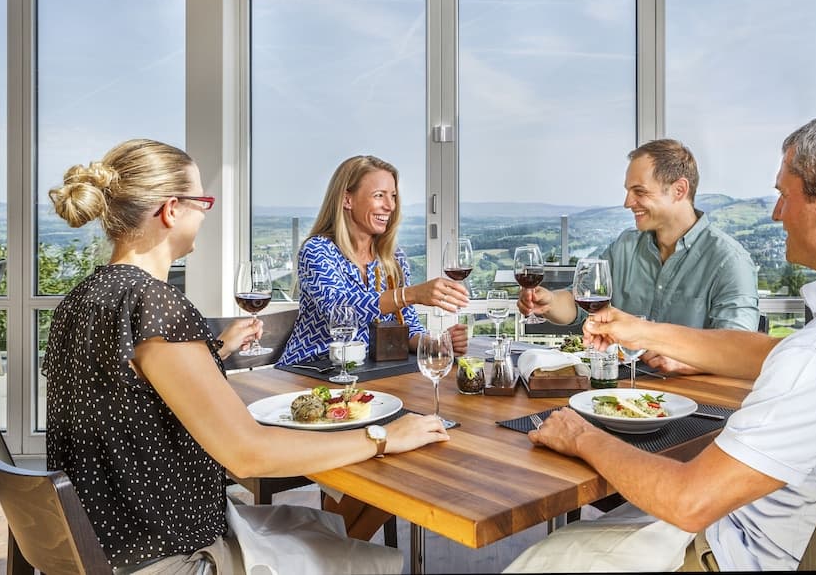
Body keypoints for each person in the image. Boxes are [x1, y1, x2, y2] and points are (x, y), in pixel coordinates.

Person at [507, 109, 816, 572]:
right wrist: (642, 330)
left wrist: (581, 436)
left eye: (784, 195)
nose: (776, 213)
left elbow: (688, 501)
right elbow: (774, 354)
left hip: (743, 551)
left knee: (543, 558)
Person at [44, 139, 449, 574]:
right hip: (171, 554)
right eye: (203, 202)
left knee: (330, 527)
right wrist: (382, 438)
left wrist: (217, 349)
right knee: (376, 561)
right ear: (171, 210)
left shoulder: (83, 298)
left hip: (108, 540)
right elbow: (247, 454)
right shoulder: (152, 303)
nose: (205, 214)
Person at [518, 139, 759, 374]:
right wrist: (549, 301)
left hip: (693, 397)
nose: (627, 203)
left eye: (639, 191)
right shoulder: (626, 246)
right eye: (628, 191)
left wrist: (687, 361)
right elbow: (579, 303)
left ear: (679, 190)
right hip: (621, 389)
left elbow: (739, 350)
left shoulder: (729, 262)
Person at [280, 154, 469, 366]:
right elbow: (339, 309)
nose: (390, 206)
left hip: (366, 373)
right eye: (379, 195)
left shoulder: (393, 258)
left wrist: (436, 343)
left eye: (393, 196)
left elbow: (407, 328)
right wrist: (411, 294)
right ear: (347, 199)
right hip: (311, 369)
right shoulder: (318, 250)